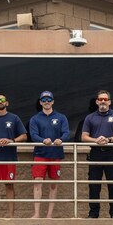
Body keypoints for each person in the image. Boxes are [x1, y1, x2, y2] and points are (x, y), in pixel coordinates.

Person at [81, 89, 113, 218]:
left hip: (111, 152)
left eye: (105, 100)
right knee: (94, 184)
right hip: (95, 153)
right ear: (96, 101)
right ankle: (94, 213)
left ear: (109, 102)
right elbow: (84, 137)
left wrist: (109, 140)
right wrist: (96, 140)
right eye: (100, 99)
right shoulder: (90, 118)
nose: (102, 102)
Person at [28, 90, 70, 218]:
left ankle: (49, 214)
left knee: (54, 184)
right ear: (40, 102)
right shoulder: (35, 118)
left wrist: (60, 140)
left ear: (53, 101)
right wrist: (43, 140)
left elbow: (66, 133)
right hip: (40, 154)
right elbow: (33, 135)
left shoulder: (61, 117)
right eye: (44, 100)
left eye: (49, 100)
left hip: (55, 154)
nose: (47, 102)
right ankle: (36, 213)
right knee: (38, 182)